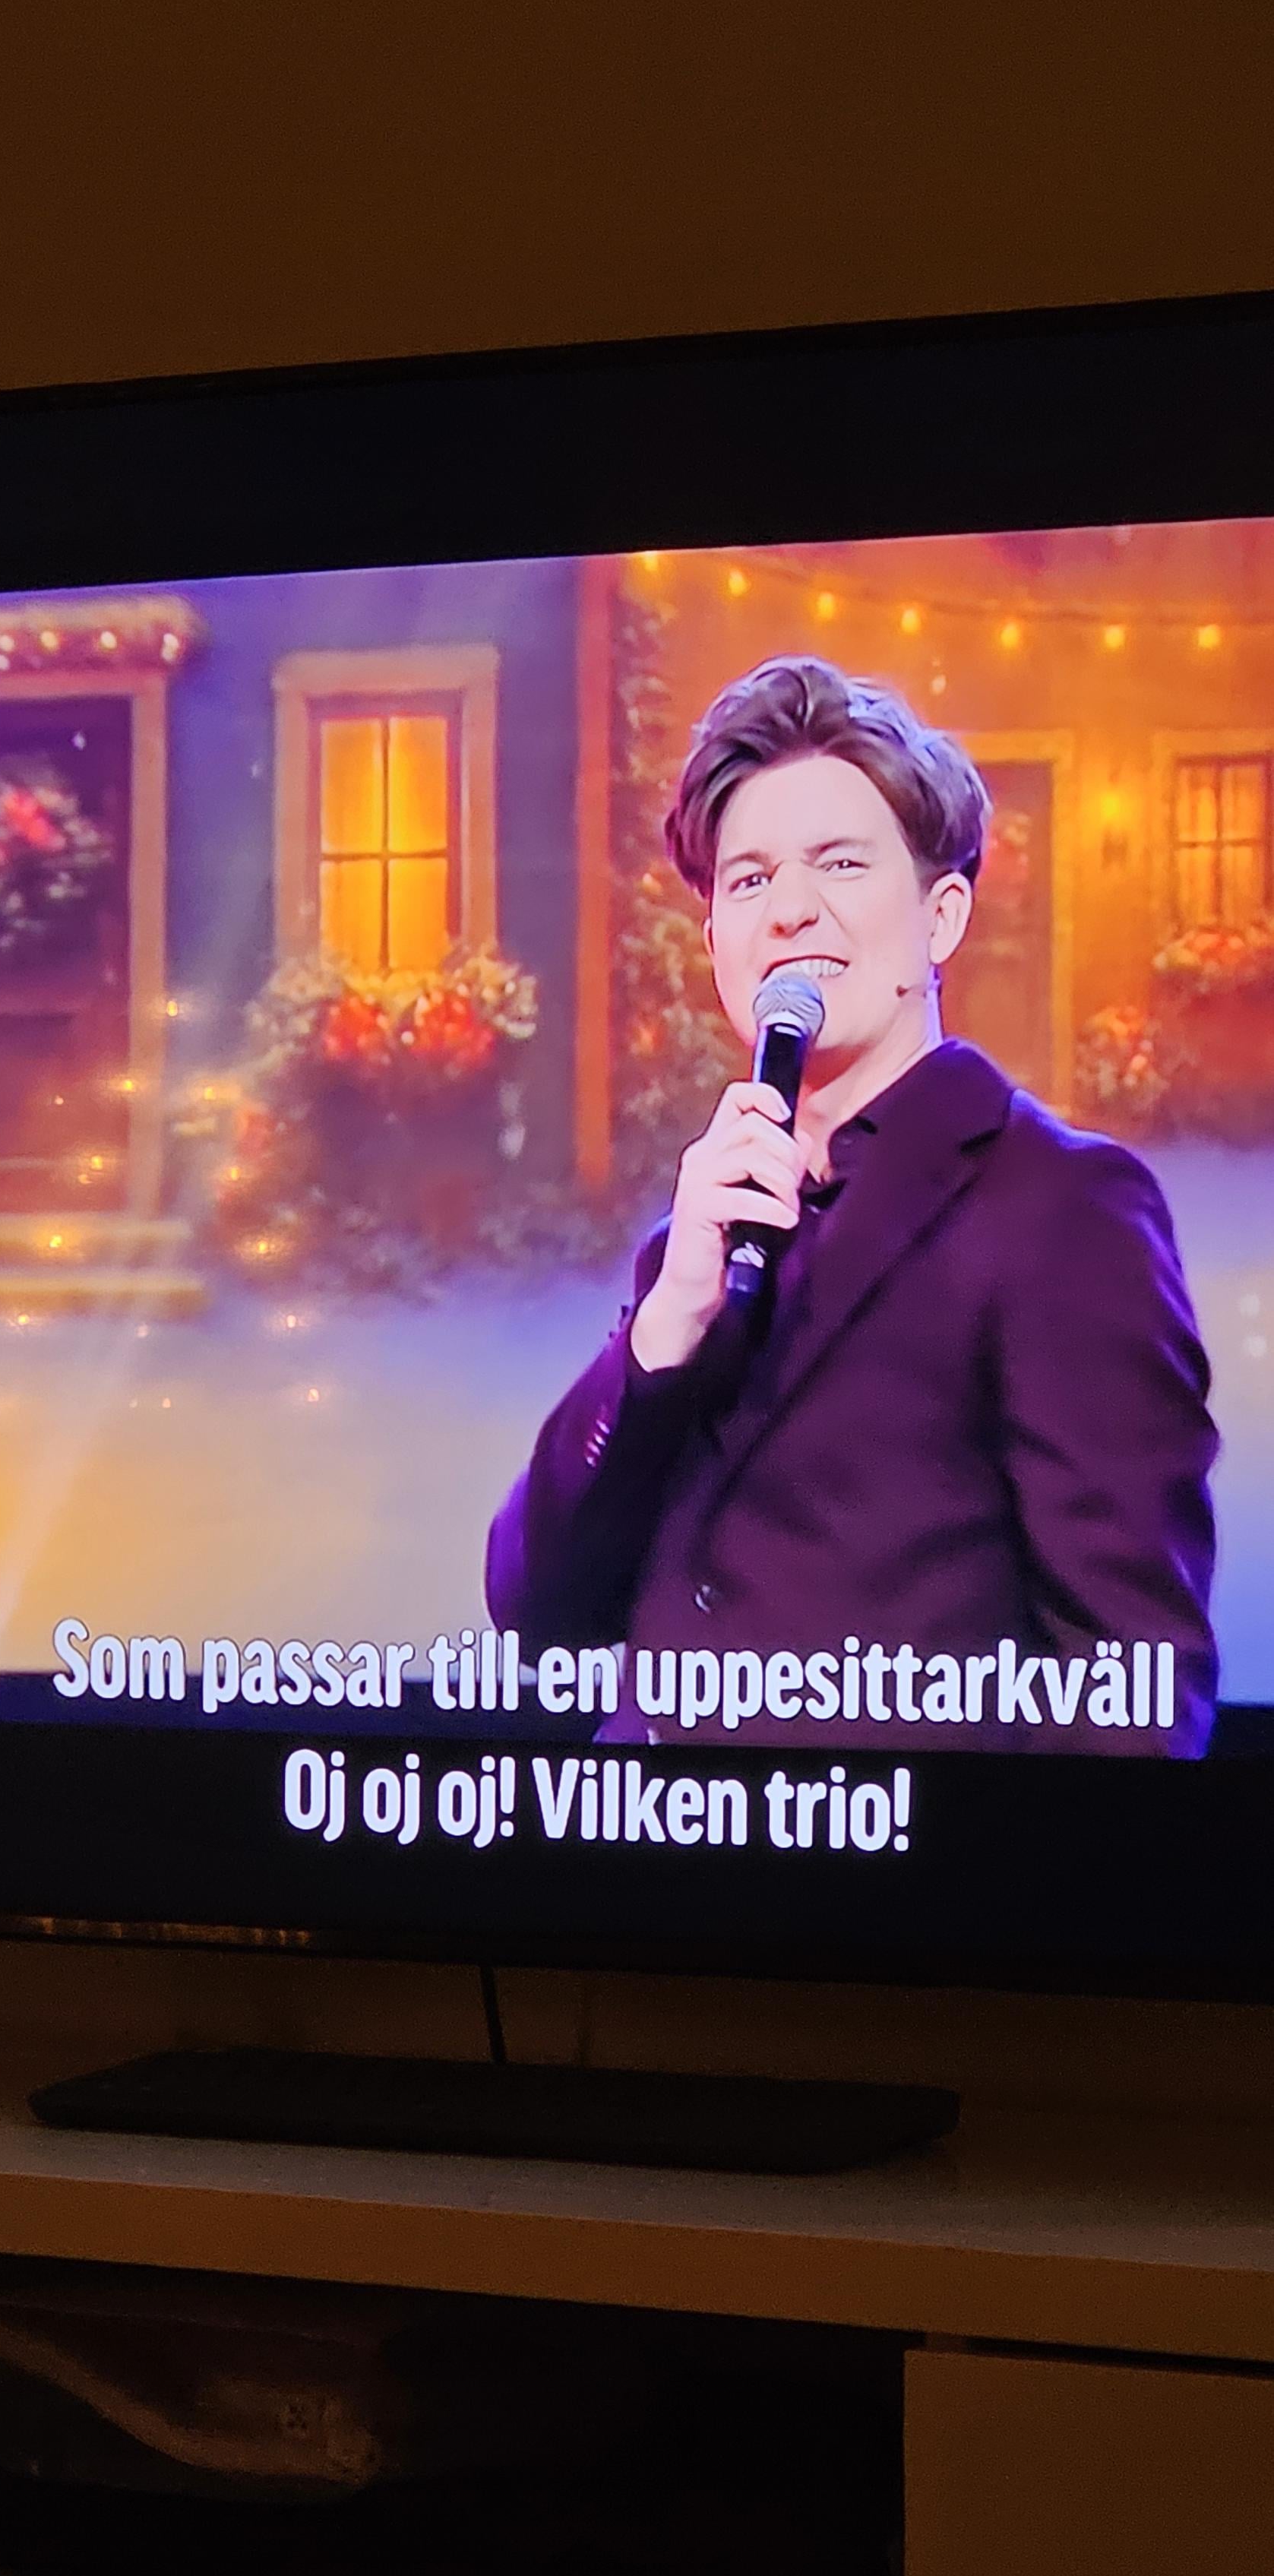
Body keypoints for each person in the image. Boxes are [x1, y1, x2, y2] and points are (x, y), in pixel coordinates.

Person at [486, 656, 1218, 1755]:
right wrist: (667, 1326)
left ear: (941, 917)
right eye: (749, 880)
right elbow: (534, 1612)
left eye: (839, 863)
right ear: (716, 945)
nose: (791, 910)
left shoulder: (1064, 1207)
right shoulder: (702, 1229)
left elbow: (1134, 1693)